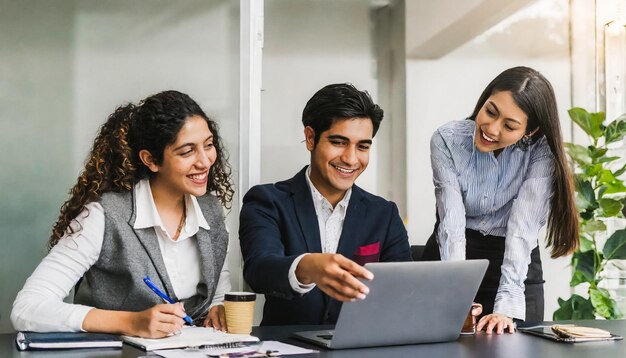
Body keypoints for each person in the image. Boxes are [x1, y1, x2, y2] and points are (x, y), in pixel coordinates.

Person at [11, 90, 234, 338]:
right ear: (150, 160)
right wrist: (130, 322)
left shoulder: (210, 211)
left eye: (209, 145)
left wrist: (218, 306)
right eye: (186, 151)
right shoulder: (103, 216)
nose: (205, 161)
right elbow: (27, 309)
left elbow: (217, 285)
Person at [239, 83, 413, 325]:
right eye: (339, 142)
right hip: (287, 348)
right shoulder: (267, 201)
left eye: (362, 146)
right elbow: (259, 270)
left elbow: (403, 289)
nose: (351, 159)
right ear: (310, 138)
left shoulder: (384, 214)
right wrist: (308, 266)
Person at [423, 66, 579, 334]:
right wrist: (456, 293)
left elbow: (522, 228)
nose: (492, 129)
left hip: (514, 263)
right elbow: (451, 222)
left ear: (531, 130)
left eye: (509, 126)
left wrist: (506, 306)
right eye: (490, 111)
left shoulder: (542, 153)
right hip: (453, 256)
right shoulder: (447, 140)